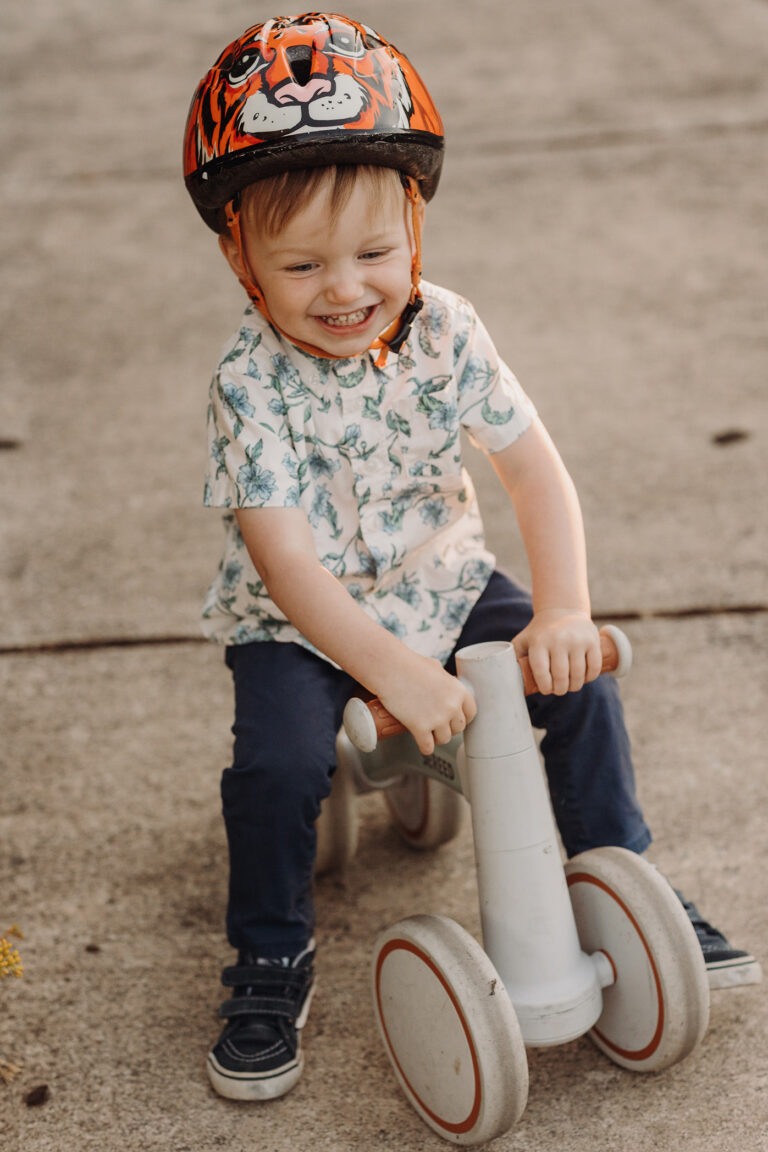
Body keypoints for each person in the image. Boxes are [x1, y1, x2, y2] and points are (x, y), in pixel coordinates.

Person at [183, 13, 760, 1102]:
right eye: (301, 263)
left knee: (575, 687)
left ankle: (620, 875)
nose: (345, 289)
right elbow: (288, 564)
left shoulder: (446, 330)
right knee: (275, 768)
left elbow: (535, 473)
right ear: (240, 259)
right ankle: (267, 956)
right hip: (298, 625)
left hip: (440, 585)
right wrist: (394, 676)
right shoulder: (246, 383)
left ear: (415, 221)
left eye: (373, 253)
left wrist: (565, 611)